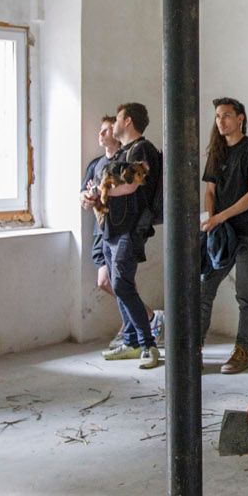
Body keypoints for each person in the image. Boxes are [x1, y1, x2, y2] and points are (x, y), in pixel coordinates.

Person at [198, 97, 248, 375]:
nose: (221, 121)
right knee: (205, 289)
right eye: (217, 116)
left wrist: (220, 217)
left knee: (245, 295)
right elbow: (209, 191)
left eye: (226, 115)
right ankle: (194, 349)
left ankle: (242, 351)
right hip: (221, 235)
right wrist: (211, 219)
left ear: (240, 118)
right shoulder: (216, 151)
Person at [91, 101, 164, 369]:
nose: (114, 125)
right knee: (118, 284)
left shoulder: (142, 148)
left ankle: (148, 345)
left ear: (128, 121)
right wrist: (95, 194)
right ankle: (132, 342)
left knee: (122, 285)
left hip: (130, 229)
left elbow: (132, 184)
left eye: (118, 119)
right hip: (112, 228)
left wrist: (101, 193)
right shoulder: (123, 152)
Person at [82, 114, 118, 300]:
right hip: (100, 228)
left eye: (106, 130)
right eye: (100, 130)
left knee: (121, 280)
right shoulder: (95, 165)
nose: (101, 133)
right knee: (105, 281)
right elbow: (83, 195)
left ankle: (140, 317)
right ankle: (147, 314)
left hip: (120, 227)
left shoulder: (123, 162)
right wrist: (87, 197)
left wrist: (102, 191)